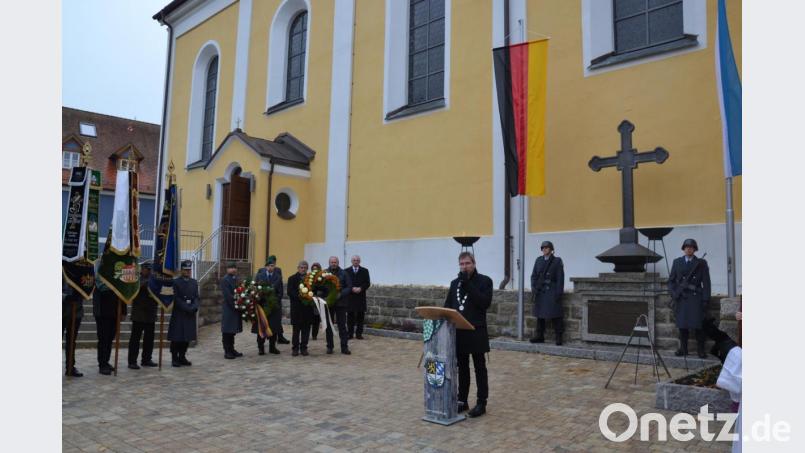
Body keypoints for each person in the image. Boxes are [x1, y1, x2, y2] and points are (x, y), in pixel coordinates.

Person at [443, 252, 493, 418]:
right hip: (459, 332)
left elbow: (484, 303)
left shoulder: (485, 281)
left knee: (480, 367)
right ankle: (462, 400)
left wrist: (468, 285)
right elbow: (448, 306)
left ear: (474, 263)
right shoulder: (454, 283)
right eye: (461, 264)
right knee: (462, 368)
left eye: (467, 263)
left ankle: (481, 402)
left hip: (476, 331)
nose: (464, 267)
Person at [668, 238, 711, 358]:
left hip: (696, 297)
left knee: (699, 326)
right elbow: (671, 281)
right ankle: (683, 349)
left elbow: (706, 283)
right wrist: (674, 293)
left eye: (691, 247)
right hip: (682, 298)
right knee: (682, 326)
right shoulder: (677, 262)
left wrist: (705, 299)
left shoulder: (701, 263)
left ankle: (701, 350)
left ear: (695, 249)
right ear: (683, 249)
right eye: (686, 247)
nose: (689, 249)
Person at [529, 241, 565, 345]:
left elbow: (560, 278)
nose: (544, 249)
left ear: (551, 249)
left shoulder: (557, 261)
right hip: (540, 291)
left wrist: (558, 293)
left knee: (556, 314)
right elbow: (534, 276)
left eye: (546, 248)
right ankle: (539, 335)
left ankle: (559, 336)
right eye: (543, 248)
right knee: (540, 315)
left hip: (552, 291)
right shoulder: (538, 260)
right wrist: (534, 288)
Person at [93, 267, 127, 376]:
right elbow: (100, 289)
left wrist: (123, 311)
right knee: (103, 339)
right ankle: (102, 364)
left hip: (115, 312)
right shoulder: (100, 270)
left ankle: (106, 362)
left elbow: (123, 293)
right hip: (103, 311)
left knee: (110, 339)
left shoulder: (118, 273)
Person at [167, 260, 199, 367]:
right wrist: (186, 307)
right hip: (179, 313)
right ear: (181, 270)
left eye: (189, 270)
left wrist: (194, 307)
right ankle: (174, 358)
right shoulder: (176, 282)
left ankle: (182, 356)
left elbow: (196, 297)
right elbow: (176, 298)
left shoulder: (194, 282)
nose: (188, 272)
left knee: (186, 338)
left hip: (190, 313)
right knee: (177, 337)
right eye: (185, 270)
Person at [127, 262, 158, 369]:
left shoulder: (154, 281)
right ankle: (132, 361)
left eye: (150, 270)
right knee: (135, 339)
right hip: (139, 314)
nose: (148, 271)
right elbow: (139, 286)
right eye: (146, 269)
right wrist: (151, 282)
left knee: (149, 339)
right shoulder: (137, 279)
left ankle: (146, 359)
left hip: (151, 313)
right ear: (142, 270)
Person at [254, 256, 285, 354]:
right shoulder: (260, 275)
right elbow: (255, 289)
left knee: (274, 328)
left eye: (273, 266)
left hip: (274, 306)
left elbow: (280, 292)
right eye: (270, 266)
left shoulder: (278, 276)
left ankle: (272, 347)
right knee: (262, 327)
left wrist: (275, 301)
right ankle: (261, 347)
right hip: (263, 306)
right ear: (266, 267)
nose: (272, 267)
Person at [326, 256, 353, 355]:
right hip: (329, 303)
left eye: (335, 262)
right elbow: (320, 285)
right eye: (332, 262)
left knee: (342, 326)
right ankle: (329, 347)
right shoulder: (324, 273)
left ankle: (344, 347)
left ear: (338, 263)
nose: (333, 263)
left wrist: (340, 294)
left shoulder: (344, 273)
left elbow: (349, 286)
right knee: (329, 326)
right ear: (329, 263)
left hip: (341, 303)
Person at [287, 260, 313, 356]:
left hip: (307, 308)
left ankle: (304, 348)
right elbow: (290, 292)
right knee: (296, 330)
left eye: (305, 268)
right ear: (298, 268)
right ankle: (295, 348)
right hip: (296, 308)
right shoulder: (292, 278)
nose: (303, 269)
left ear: (307, 269)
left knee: (306, 330)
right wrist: (301, 296)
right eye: (301, 267)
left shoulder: (311, 279)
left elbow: (314, 290)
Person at [220, 261, 243, 359]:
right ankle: (227, 351)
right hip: (229, 308)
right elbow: (228, 296)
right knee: (227, 330)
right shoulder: (225, 280)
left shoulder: (236, 279)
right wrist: (236, 305)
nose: (233, 269)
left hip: (235, 308)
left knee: (232, 330)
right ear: (227, 269)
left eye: (234, 267)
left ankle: (232, 349)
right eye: (231, 267)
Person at [62, 279, 84, 377]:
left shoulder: (79, 267)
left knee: (71, 340)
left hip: (76, 309)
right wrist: (65, 297)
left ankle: (70, 367)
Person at [346, 255, 371, 340]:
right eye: (354, 260)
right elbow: (345, 283)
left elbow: (367, 283)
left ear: (359, 261)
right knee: (350, 316)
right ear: (351, 261)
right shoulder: (346, 271)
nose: (356, 262)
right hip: (351, 296)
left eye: (357, 260)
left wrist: (361, 288)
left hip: (360, 296)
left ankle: (359, 334)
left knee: (360, 316)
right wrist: (351, 288)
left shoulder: (365, 271)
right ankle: (350, 334)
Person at [310, 262, 322, 339]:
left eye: (316, 269)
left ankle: (314, 335)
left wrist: (318, 295)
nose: (315, 270)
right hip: (310, 299)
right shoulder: (309, 277)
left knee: (316, 319)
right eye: (313, 269)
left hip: (318, 299)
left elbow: (324, 288)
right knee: (309, 317)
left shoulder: (322, 278)